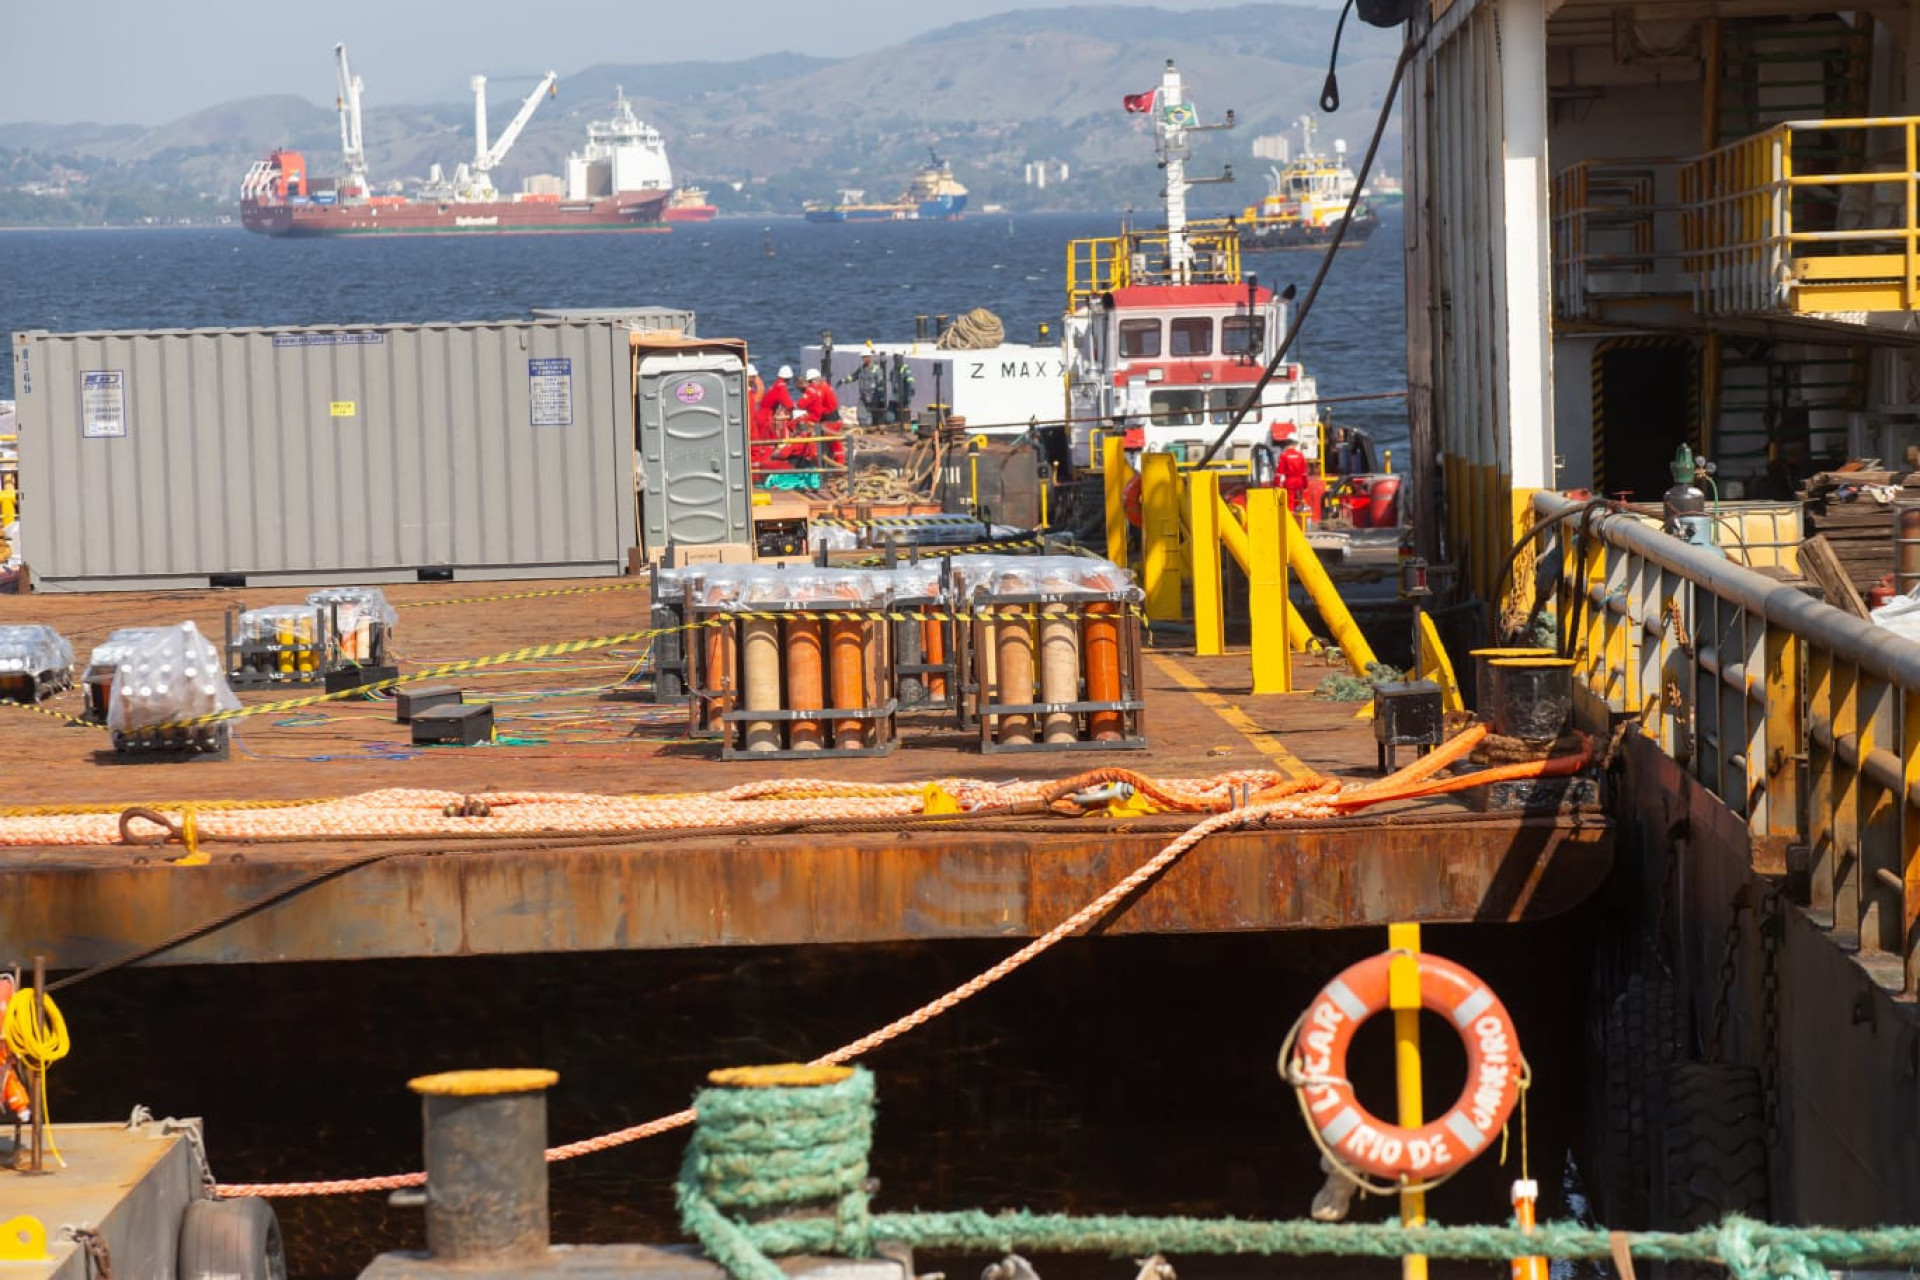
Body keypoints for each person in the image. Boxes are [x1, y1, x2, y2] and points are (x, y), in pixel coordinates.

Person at [798, 369, 845, 467]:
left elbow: (814, 408)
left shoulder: (819, 390)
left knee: (820, 445)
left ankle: (821, 467)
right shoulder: (826, 386)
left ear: (814, 380)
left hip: (829, 422)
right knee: (836, 446)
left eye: (810, 382)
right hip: (835, 420)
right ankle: (839, 466)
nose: (810, 385)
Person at [840, 349, 889, 426]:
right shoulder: (862, 369)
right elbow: (854, 376)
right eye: (863, 357)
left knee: (875, 417)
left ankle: (874, 428)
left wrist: (881, 397)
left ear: (870, 357)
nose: (864, 359)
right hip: (863, 396)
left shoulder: (876, 370)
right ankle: (865, 428)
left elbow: (880, 384)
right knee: (861, 415)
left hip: (873, 397)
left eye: (865, 357)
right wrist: (843, 380)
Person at [889, 355, 916, 425]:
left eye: (897, 357)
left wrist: (911, 388)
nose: (896, 360)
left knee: (905, 419)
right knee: (889, 418)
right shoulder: (893, 371)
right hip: (894, 399)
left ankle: (913, 428)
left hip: (904, 400)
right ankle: (894, 426)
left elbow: (910, 380)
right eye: (895, 358)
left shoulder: (906, 369)